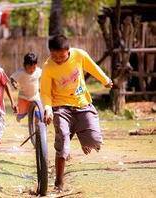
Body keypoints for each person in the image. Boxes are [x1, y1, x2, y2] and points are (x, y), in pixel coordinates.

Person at [40, 34, 113, 192]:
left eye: (61, 56)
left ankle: (84, 137)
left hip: (82, 104)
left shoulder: (79, 55)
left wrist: (105, 80)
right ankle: (59, 182)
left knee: (94, 142)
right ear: (50, 52)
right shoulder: (48, 67)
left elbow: (93, 68)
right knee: (63, 146)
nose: (58, 59)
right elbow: (45, 92)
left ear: (68, 51)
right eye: (54, 55)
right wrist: (47, 109)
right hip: (61, 107)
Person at [10, 52, 42, 122]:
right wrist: (14, 83)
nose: (31, 70)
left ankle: (38, 127)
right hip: (23, 97)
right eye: (29, 68)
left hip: (35, 96)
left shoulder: (38, 71)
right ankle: (20, 115)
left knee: (39, 114)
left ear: (36, 65)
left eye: (33, 67)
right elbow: (12, 78)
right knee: (21, 113)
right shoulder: (21, 72)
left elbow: (44, 76)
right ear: (24, 65)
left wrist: (42, 87)